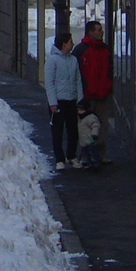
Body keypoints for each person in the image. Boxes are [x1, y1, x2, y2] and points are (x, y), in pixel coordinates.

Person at [72, 18, 114, 163]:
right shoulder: (80, 50)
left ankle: (100, 153)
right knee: (85, 126)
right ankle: (86, 154)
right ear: (90, 32)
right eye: (98, 30)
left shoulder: (105, 49)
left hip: (102, 93)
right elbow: (75, 73)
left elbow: (110, 69)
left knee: (102, 126)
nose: (102, 32)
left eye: (101, 29)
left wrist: (109, 86)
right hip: (87, 96)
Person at [45, 31, 83, 170]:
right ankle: (59, 158)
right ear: (64, 44)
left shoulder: (73, 60)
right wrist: (52, 102)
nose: (72, 44)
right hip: (59, 101)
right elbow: (49, 82)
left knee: (73, 130)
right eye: (70, 41)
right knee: (58, 131)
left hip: (71, 100)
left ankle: (72, 155)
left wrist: (80, 99)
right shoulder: (53, 60)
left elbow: (78, 80)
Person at [76, 99, 102, 170]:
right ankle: (89, 163)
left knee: (92, 152)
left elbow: (96, 126)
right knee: (86, 153)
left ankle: (96, 164)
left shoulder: (91, 117)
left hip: (90, 139)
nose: (79, 112)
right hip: (83, 140)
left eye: (81, 110)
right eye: (78, 110)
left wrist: (94, 134)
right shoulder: (80, 118)